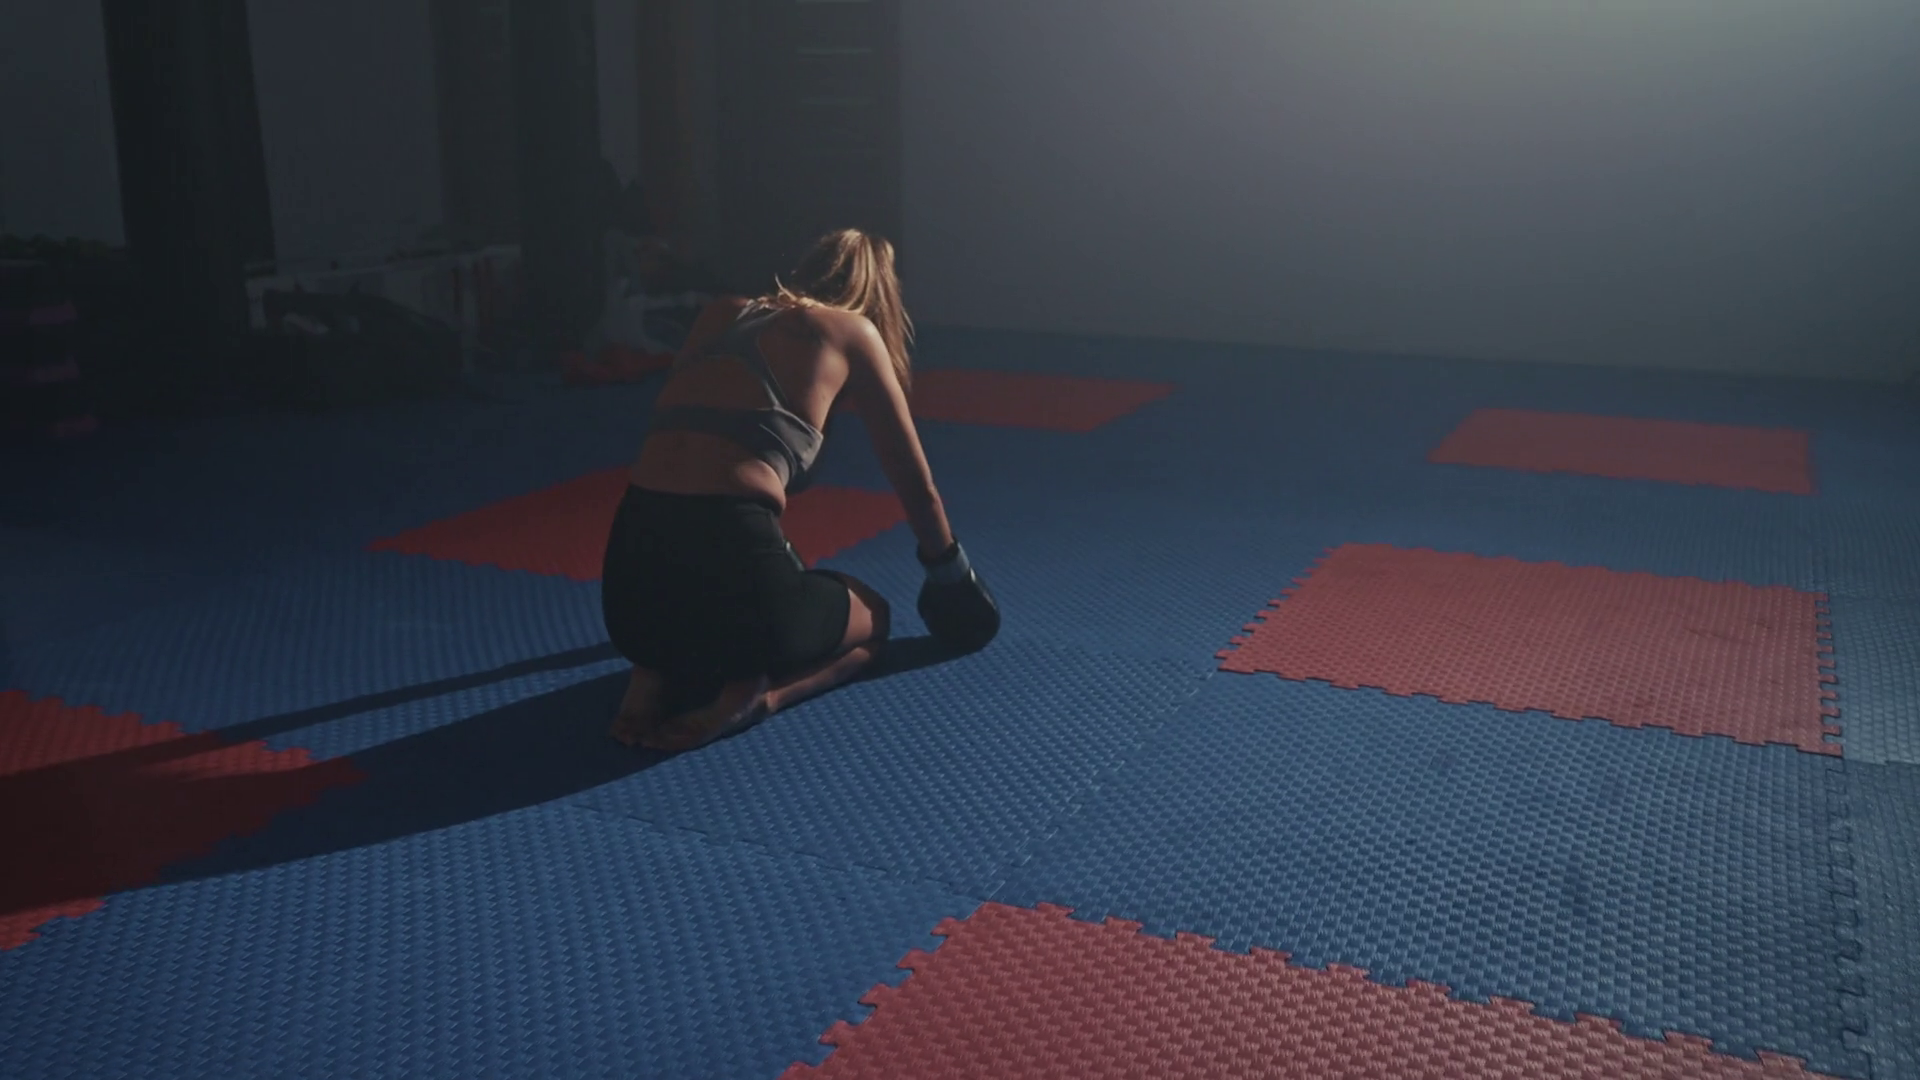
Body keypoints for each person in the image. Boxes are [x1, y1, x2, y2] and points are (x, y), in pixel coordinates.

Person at [600, 228, 969, 752]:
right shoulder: (854, 331)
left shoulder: (719, 313)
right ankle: (757, 695)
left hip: (628, 597)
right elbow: (917, 486)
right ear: (880, 295)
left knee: (707, 549)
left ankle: (649, 677)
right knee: (874, 616)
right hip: (745, 595)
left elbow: (688, 446)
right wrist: (951, 572)